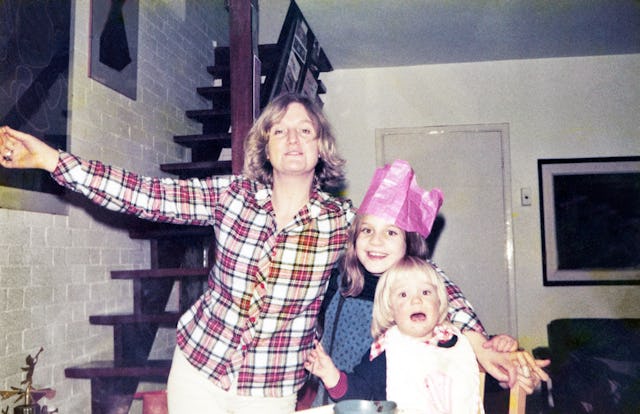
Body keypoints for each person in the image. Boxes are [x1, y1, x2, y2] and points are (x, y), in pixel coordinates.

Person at [0, 93, 356, 413]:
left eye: (305, 130)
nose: (292, 138)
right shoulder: (232, 197)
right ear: (265, 146)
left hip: (271, 389)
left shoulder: (341, 222)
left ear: (321, 145)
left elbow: (397, 253)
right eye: (279, 131)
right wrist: (51, 160)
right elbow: (146, 194)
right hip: (198, 369)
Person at [304, 160, 548, 408]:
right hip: (336, 403)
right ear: (354, 239)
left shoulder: (424, 280)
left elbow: (457, 316)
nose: (376, 242)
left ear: (409, 244)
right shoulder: (337, 277)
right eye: (367, 231)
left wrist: (487, 350)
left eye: (391, 233)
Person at [306, 256, 484, 413]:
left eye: (426, 292)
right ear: (390, 311)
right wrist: (331, 375)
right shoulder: (388, 352)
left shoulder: (457, 344)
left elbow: (493, 376)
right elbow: (359, 394)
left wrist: (500, 346)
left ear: (439, 302)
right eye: (403, 294)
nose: (416, 300)